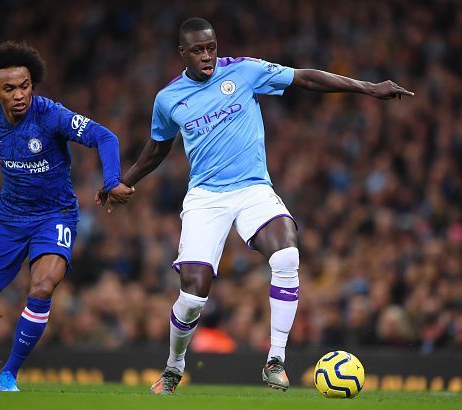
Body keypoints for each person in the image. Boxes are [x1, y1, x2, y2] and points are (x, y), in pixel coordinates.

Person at [98, 17, 413, 394]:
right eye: (198, 50)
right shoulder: (168, 99)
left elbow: (304, 78)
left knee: (286, 256)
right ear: (182, 53)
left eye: (211, 47)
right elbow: (158, 147)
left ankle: (276, 360)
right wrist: (125, 182)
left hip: (252, 189)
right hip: (206, 198)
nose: (207, 56)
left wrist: (367, 87)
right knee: (193, 296)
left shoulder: (245, 71)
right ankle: (174, 365)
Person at [0, 41, 134, 392]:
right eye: (9, 89)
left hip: (55, 216)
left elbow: (104, 135)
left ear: (32, 85)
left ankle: (9, 373)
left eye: (25, 86)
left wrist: (111, 180)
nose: (19, 94)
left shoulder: (51, 115)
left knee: (42, 285)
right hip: (9, 218)